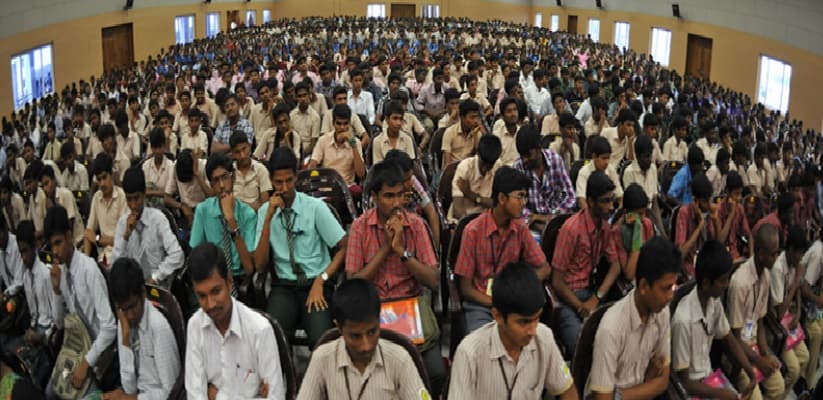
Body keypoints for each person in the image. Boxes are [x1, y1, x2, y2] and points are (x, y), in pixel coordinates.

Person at [345, 161, 445, 397]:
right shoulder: (360, 227)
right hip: (373, 307)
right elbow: (353, 283)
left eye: (401, 195)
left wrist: (402, 252)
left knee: (436, 371)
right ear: (374, 197)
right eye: (389, 196)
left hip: (410, 306)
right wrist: (386, 249)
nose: (397, 203)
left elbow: (433, 280)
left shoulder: (417, 226)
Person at [253, 148, 347, 348]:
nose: (285, 188)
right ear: (271, 180)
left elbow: (344, 247)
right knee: (271, 339)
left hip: (316, 281)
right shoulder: (264, 213)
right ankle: (285, 379)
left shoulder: (315, 208)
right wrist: (268, 218)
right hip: (285, 286)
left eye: (289, 180)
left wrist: (322, 280)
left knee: (322, 340)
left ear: (296, 177)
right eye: (279, 182)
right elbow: (260, 266)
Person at [449, 261, 578, 400]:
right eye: (524, 322)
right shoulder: (469, 353)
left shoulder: (543, 337)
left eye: (537, 319)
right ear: (497, 316)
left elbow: (567, 390)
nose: (533, 331)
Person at [296, 278, 430, 400]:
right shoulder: (322, 358)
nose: (366, 346)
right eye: (355, 336)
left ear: (379, 321)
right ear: (339, 328)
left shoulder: (400, 359)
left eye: (372, 332)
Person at [454, 167, 551, 332]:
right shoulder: (473, 231)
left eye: (525, 197)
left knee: (533, 337)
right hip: (482, 303)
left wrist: (519, 287)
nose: (524, 203)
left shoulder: (520, 228)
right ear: (501, 198)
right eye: (519, 196)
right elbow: (466, 289)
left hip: (513, 303)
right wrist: (497, 301)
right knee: (484, 345)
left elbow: (544, 268)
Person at [184, 243, 285, 400]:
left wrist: (218, 397)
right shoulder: (195, 326)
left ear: (230, 282)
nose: (210, 304)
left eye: (216, 292)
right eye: (202, 296)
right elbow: (195, 394)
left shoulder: (260, 330)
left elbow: (276, 397)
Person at [586, 237, 680, 400]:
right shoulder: (612, 328)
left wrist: (618, 395)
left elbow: (663, 381)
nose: (670, 296)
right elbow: (602, 398)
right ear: (643, 286)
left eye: (672, 287)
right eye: (665, 288)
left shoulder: (662, 312)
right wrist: (649, 382)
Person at [45, 205, 117, 398]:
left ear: (69, 237)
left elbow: (109, 328)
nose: (55, 251)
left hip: (99, 357)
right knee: (50, 391)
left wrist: (86, 363)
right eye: (51, 246)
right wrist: (56, 291)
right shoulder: (64, 272)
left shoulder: (89, 270)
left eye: (58, 243)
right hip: (78, 348)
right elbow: (59, 324)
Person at [672, 240, 757, 400]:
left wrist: (750, 371)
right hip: (693, 391)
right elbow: (685, 382)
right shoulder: (683, 320)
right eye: (723, 280)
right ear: (706, 283)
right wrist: (720, 394)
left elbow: (729, 338)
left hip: (709, 379)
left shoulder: (714, 301)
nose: (726, 285)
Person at [552, 170, 621, 358]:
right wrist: (581, 307)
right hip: (568, 299)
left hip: (591, 294)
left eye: (612, 200)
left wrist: (596, 298)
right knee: (582, 350)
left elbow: (616, 266)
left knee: (613, 343)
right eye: (605, 201)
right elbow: (557, 282)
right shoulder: (571, 230)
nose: (611, 207)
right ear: (591, 202)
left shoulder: (604, 227)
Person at [102, 257, 180, 400]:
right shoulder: (124, 321)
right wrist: (125, 340)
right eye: (124, 309)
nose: (130, 315)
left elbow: (171, 392)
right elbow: (129, 387)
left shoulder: (158, 328)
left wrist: (134, 399)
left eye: (133, 306)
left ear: (143, 293)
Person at [727, 224, 785, 400]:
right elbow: (735, 337)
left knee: (779, 387)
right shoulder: (740, 283)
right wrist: (758, 360)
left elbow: (760, 322)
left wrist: (765, 354)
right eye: (774, 253)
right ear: (761, 254)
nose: (777, 258)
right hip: (740, 351)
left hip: (755, 346)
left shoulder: (766, 275)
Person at [189, 153, 257, 295]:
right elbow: (196, 254)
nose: (221, 185)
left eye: (225, 177)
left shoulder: (248, 214)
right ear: (211, 184)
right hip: (212, 277)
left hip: (239, 279)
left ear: (233, 178)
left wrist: (231, 221)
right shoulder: (203, 211)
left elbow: (249, 268)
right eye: (215, 180)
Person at [110, 167, 184, 288]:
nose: (133, 205)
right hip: (133, 290)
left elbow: (177, 255)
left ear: (144, 194)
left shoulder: (158, 219)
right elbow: (114, 266)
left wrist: (156, 277)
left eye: (136, 198)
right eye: (129, 199)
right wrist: (125, 237)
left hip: (157, 287)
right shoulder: (122, 223)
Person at [15, 220, 59, 386]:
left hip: (48, 337)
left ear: (35, 246)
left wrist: (41, 337)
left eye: (26, 251)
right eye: (20, 253)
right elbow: (34, 314)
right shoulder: (26, 276)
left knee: (35, 380)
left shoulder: (46, 274)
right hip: (36, 332)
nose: (24, 258)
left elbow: (56, 322)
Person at [768, 225, 810, 394]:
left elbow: (798, 290)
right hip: (775, 324)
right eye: (799, 253)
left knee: (804, 357)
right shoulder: (778, 269)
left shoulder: (795, 264)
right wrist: (795, 283)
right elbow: (778, 313)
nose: (801, 258)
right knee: (793, 369)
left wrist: (799, 311)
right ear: (790, 250)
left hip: (789, 318)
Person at [513, 124, 576, 225]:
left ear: (539, 149)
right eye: (522, 156)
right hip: (532, 224)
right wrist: (535, 218)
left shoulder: (555, 160)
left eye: (528, 155)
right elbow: (517, 205)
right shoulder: (518, 167)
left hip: (556, 220)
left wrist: (553, 217)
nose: (524, 160)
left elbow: (570, 196)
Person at [308, 105, 366, 197]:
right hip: (325, 187)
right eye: (338, 124)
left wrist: (353, 145)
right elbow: (312, 165)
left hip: (347, 189)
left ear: (350, 124)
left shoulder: (356, 142)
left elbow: (361, 174)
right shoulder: (323, 140)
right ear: (333, 123)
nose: (342, 127)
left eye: (345, 124)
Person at [84, 152, 128, 265]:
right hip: (102, 260)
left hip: (122, 258)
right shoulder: (96, 198)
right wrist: (85, 261)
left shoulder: (122, 197)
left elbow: (124, 240)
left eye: (104, 177)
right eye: (99, 180)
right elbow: (89, 232)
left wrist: (99, 239)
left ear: (112, 175)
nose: (102, 183)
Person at [449, 134, 503, 222]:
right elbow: (457, 210)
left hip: (486, 219)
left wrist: (471, 195)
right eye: (483, 163)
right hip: (463, 219)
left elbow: (497, 204)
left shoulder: (498, 166)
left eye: (490, 165)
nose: (485, 169)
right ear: (477, 154)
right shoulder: (464, 168)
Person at [674, 173, 718, 279]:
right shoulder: (684, 213)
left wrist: (715, 221)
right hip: (689, 267)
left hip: (707, 263)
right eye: (705, 201)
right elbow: (681, 255)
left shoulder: (709, 211)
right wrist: (699, 227)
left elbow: (717, 245)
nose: (708, 205)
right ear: (695, 200)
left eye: (710, 200)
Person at [608, 184, 654, 281]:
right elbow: (629, 274)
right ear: (626, 213)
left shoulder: (647, 224)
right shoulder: (617, 232)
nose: (641, 219)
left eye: (643, 213)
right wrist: (637, 234)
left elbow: (652, 259)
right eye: (638, 214)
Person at [574, 135, 624, 210]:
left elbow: (620, 197)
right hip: (590, 212)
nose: (607, 162)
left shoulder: (611, 170)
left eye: (608, 158)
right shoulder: (584, 172)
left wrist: (618, 214)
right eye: (603, 158)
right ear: (594, 156)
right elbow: (581, 200)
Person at [229, 131, 272, 210]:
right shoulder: (229, 172)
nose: (242, 155)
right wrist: (252, 206)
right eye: (237, 152)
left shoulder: (261, 170)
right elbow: (227, 203)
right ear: (232, 154)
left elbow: (264, 207)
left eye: (244, 149)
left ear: (249, 146)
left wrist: (239, 205)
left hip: (255, 218)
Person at [441, 99, 482, 168]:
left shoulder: (477, 133)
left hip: (470, 171)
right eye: (472, 117)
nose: (475, 121)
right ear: (462, 117)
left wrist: (475, 137)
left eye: (476, 117)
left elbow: (479, 160)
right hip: (453, 171)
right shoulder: (449, 132)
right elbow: (447, 164)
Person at [142, 128, 175, 206]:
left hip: (166, 207)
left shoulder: (171, 166)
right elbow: (143, 191)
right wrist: (159, 193)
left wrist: (151, 192)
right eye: (154, 148)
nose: (157, 151)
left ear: (164, 145)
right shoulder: (145, 165)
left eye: (160, 147)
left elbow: (168, 194)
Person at [289, 82, 321, 156]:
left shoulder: (315, 117)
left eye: (305, 95)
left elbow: (313, 142)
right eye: (300, 96)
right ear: (296, 98)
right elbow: (290, 137)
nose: (303, 99)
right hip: (294, 151)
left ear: (309, 95)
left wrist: (303, 154)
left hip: (309, 153)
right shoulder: (292, 115)